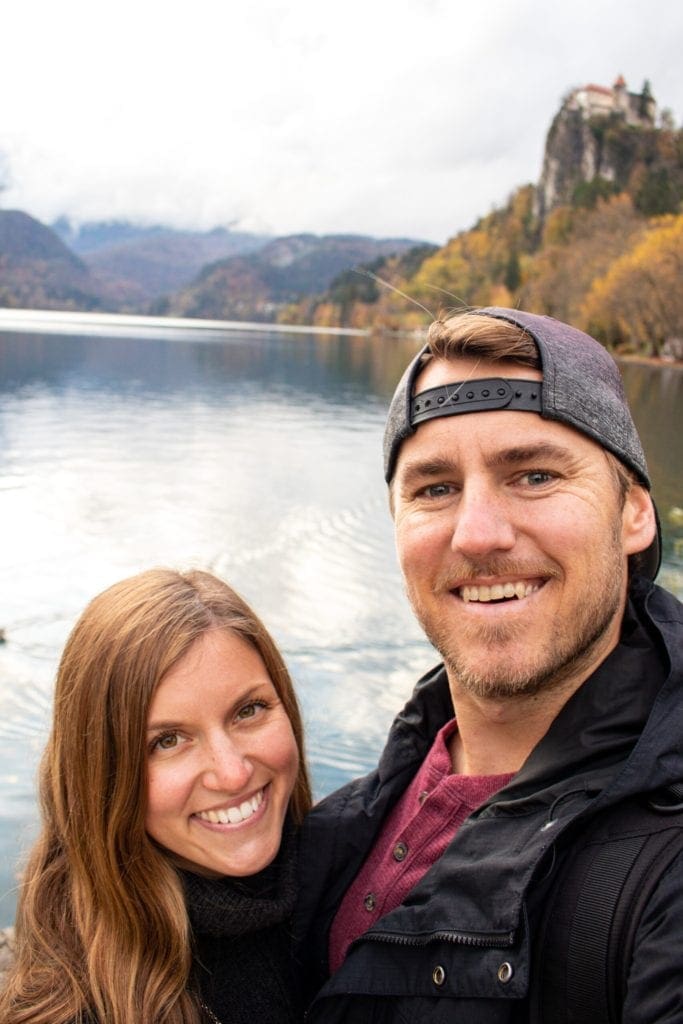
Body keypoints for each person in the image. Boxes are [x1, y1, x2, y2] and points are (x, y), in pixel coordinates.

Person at [296, 307, 683, 1023]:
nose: (476, 535)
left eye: (533, 475)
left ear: (633, 514)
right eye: (434, 489)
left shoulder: (657, 870)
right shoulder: (337, 826)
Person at [0, 568, 312, 1024]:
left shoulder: (358, 867)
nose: (232, 773)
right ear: (102, 776)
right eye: (167, 741)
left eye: (249, 710)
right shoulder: (81, 1009)